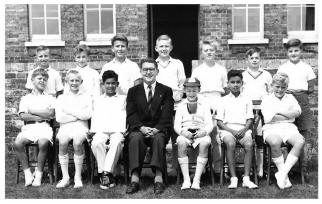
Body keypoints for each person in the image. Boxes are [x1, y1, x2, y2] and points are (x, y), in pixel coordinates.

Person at [126, 58, 174, 194]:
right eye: (145, 69)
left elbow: (167, 113)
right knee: (135, 139)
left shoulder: (166, 90)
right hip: (139, 129)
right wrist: (141, 127)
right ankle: (134, 179)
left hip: (159, 129)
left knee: (158, 139)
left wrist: (157, 128)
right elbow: (131, 114)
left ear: (157, 71)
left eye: (151, 69)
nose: (148, 72)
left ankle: (158, 179)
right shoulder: (133, 91)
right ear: (141, 72)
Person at [277, 39, 316, 175]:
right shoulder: (283, 68)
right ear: (287, 53)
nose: (293, 53)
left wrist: (300, 92)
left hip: (302, 100)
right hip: (287, 99)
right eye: (290, 51)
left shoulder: (307, 68)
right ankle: (289, 170)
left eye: (296, 50)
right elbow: (279, 85)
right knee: (288, 134)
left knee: (302, 136)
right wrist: (289, 92)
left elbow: (311, 88)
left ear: (301, 51)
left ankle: (303, 170)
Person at [191, 36, 228, 175]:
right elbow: (194, 90)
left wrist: (220, 107)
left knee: (217, 137)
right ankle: (198, 168)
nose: (209, 52)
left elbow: (225, 89)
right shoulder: (197, 71)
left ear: (215, 51)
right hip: (202, 101)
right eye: (206, 50)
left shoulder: (221, 69)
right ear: (202, 53)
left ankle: (219, 168)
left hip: (218, 100)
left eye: (211, 50)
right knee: (200, 135)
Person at [261, 72, 304, 189]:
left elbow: (298, 112)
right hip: (271, 127)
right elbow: (268, 117)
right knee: (275, 142)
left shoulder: (290, 97)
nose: (280, 90)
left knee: (300, 141)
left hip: (288, 127)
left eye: (283, 87)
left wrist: (279, 112)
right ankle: (284, 176)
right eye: (277, 87)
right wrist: (290, 115)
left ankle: (282, 174)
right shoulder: (266, 98)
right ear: (272, 85)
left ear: (287, 87)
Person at [216, 69, 258, 189]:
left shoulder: (246, 99)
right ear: (228, 84)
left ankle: (246, 178)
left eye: (238, 82)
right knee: (230, 143)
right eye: (232, 82)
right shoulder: (222, 100)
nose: (235, 85)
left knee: (249, 144)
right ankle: (233, 178)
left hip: (243, 129)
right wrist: (232, 131)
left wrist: (244, 129)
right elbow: (219, 122)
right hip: (227, 130)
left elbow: (250, 118)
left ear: (242, 83)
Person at [14, 68, 55, 187]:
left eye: (45, 79)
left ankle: (39, 174)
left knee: (43, 143)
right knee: (17, 143)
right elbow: (23, 116)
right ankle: (27, 173)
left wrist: (32, 111)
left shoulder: (50, 98)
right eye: (40, 79)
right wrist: (38, 117)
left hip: (44, 127)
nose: (42, 81)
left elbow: (51, 114)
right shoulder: (26, 98)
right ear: (32, 80)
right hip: (30, 128)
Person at [55, 69, 92, 188]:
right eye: (72, 80)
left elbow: (87, 115)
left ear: (81, 81)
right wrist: (77, 116)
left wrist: (69, 112)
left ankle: (77, 177)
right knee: (63, 142)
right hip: (65, 126)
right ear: (67, 81)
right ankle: (65, 177)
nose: (74, 83)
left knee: (77, 143)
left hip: (81, 126)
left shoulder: (86, 97)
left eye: (77, 80)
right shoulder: (61, 98)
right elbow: (60, 117)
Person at [89, 70, 126, 190]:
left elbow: (125, 116)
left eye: (113, 83)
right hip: (101, 129)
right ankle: (107, 173)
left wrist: (123, 130)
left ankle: (104, 173)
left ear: (117, 84)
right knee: (96, 142)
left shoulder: (123, 99)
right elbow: (95, 116)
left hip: (117, 130)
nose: (110, 86)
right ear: (103, 84)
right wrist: (93, 131)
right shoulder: (97, 99)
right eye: (107, 83)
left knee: (116, 142)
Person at [174, 78, 213, 190]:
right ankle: (186, 179)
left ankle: (196, 179)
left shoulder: (204, 105)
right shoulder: (181, 105)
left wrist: (204, 132)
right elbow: (176, 125)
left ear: (198, 90)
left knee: (205, 143)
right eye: (189, 90)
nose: (191, 93)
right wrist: (183, 132)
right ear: (185, 91)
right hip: (186, 132)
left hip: (200, 132)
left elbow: (209, 124)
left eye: (194, 90)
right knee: (181, 143)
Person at [242, 47, 272, 177]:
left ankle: (260, 169)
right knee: (248, 138)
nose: (254, 60)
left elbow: (270, 92)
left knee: (260, 139)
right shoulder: (243, 75)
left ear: (260, 59)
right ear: (247, 60)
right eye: (251, 58)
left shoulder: (266, 74)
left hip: (262, 109)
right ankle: (248, 168)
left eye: (257, 58)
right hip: (248, 110)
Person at [155, 34, 186, 102]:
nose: (164, 49)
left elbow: (182, 83)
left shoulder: (178, 63)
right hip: (157, 102)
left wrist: (179, 96)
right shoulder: (153, 64)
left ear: (171, 48)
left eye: (166, 46)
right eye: (161, 46)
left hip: (175, 101)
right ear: (156, 48)